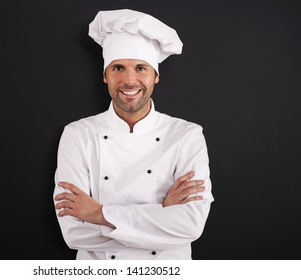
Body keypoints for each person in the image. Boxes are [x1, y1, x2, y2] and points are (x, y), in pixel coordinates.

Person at [53, 9, 214, 260]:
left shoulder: (186, 135)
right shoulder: (78, 135)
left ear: (155, 76)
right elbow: (74, 233)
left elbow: (190, 225)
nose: (129, 80)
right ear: (105, 75)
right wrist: (162, 213)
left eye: (141, 68)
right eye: (118, 68)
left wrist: (98, 214)